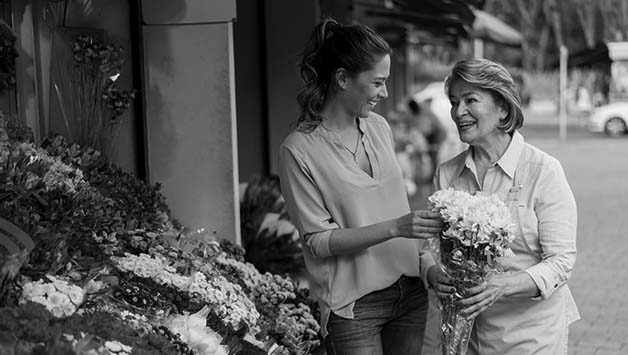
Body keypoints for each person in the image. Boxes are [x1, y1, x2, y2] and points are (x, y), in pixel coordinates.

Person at [278, 18, 444, 355]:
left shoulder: (379, 128)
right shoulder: (298, 150)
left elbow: (395, 205)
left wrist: (427, 265)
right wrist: (396, 227)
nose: (384, 93)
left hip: (411, 292)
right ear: (342, 78)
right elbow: (318, 242)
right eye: (377, 83)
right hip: (354, 308)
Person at [423, 58, 580, 354]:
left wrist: (502, 286)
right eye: (454, 102)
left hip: (531, 338)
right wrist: (433, 274)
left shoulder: (543, 170)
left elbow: (561, 262)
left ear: (503, 109)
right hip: (463, 336)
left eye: (471, 100)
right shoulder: (447, 173)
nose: (458, 112)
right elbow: (428, 250)